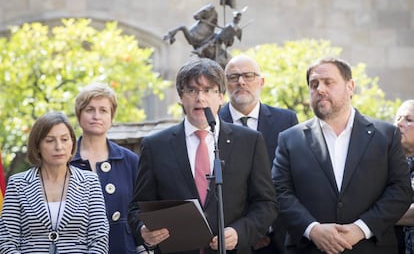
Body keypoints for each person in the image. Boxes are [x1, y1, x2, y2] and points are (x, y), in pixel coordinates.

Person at [128, 58, 278, 254]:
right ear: (181, 96)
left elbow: (266, 204)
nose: (200, 98)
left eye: (208, 90)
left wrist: (239, 232)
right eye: (192, 90)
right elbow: (137, 208)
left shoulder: (249, 141)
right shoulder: (156, 145)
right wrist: (143, 231)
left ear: (221, 96)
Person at [272, 56, 412, 254]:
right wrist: (313, 230)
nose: (320, 89)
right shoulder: (290, 139)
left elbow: (401, 191)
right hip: (309, 248)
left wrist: (361, 229)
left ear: (350, 86)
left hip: (371, 247)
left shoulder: (386, 135)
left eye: (328, 82)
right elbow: (279, 191)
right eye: (314, 84)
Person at [219, 54, 298, 254]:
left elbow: (292, 179)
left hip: (277, 237)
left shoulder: (286, 121)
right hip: (228, 238)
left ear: (261, 81)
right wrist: (247, 230)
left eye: (248, 75)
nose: (241, 82)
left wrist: (262, 226)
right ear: (224, 84)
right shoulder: (212, 124)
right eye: (233, 77)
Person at [0, 111, 108, 253]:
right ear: (37, 145)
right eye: (50, 140)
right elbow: (7, 241)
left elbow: (99, 240)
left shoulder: (90, 182)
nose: (59, 147)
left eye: (64, 139)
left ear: (72, 142)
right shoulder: (18, 184)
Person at [70, 83, 141, 254]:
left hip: (123, 248)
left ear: (111, 117)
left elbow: (141, 209)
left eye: (103, 110)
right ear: (79, 115)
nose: (96, 116)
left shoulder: (129, 160)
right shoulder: (66, 161)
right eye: (89, 110)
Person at [395, 100, 414, 254]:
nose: (399, 123)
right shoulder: (385, 162)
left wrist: (378, 217)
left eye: (408, 120)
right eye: (398, 118)